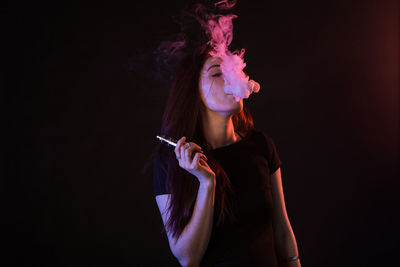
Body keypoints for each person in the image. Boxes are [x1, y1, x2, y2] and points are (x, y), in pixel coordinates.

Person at [152, 44, 301, 267]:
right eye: (217, 73)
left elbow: (282, 230)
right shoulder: (172, 160)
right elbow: (188, 258)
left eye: (231, 69)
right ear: (195, 92)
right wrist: (207, 183)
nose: (232, 76)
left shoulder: (261, 145)